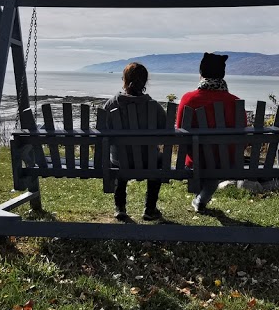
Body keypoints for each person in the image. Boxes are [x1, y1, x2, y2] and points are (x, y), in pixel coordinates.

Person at [176, 52, 245, 213]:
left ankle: (199, 199)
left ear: (201, 74)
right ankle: (200, 200)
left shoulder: (188, 99)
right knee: (216, 161)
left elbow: (180, 130)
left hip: (196, 158)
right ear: (223, 75)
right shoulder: (235, 101)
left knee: (202, 158)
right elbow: (242, 135)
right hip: (225, 160)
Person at [102, 62, 166, 221]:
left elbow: (102, 130)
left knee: (120, 158)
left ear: (124, 79)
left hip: (119, 160)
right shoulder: (154, 107)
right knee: (159, 158)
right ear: (145, 82)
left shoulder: (111, 104)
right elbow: (165, 131)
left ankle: (120, 207)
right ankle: (150, 208)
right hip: (147, 161)